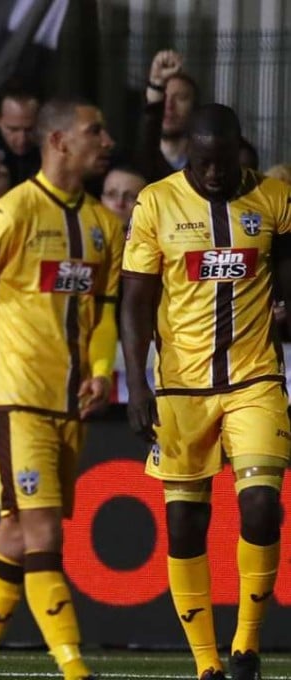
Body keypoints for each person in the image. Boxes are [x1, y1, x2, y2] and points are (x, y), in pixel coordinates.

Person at [0, 97, 122, 680]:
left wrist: (100, 368)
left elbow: (105, 312)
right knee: (43, 531)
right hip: (15, 398)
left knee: (15, 535)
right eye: (96, 130)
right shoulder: (11, 213)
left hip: (71, 403)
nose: (107, 140)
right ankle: (74, 667)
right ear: (59, 141)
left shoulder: (105, 225)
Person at [122, 103, 291, 680]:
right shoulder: (156, 203)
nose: (213, 174)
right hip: (179, 388)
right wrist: (136, 382)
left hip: (254, 377)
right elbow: (136, 300)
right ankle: (206, 664)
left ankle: (246, 648)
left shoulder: (272, 200)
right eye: (202, 162)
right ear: (187, 154)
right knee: (185, 526)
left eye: (222, 162)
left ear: (241, 151)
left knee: (263, 506)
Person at [137, 49, 198, 183]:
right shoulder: (138, 164)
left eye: (180, 98)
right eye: (163, 97)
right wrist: (157, 83)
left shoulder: (203, 167)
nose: (168, 106)